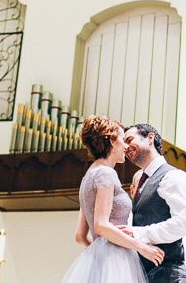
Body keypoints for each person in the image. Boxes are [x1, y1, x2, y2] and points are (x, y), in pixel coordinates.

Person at [62, 115, 164, 283]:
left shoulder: (88, 176)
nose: (126, 146)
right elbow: (101, 225)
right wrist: (141, 247)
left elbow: (80, 235)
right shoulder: (106, 173)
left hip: (103, 257)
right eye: (123, 140)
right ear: (111, 141)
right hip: (117, 257)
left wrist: (100, 254)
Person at [119, 123, 186, 283]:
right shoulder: (143, 181)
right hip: (147, 274)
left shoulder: (173, 176)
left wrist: (138, 234)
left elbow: (184, 223)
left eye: (129, 140)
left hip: (169, 275)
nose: (125, 147)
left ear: (150, 138)